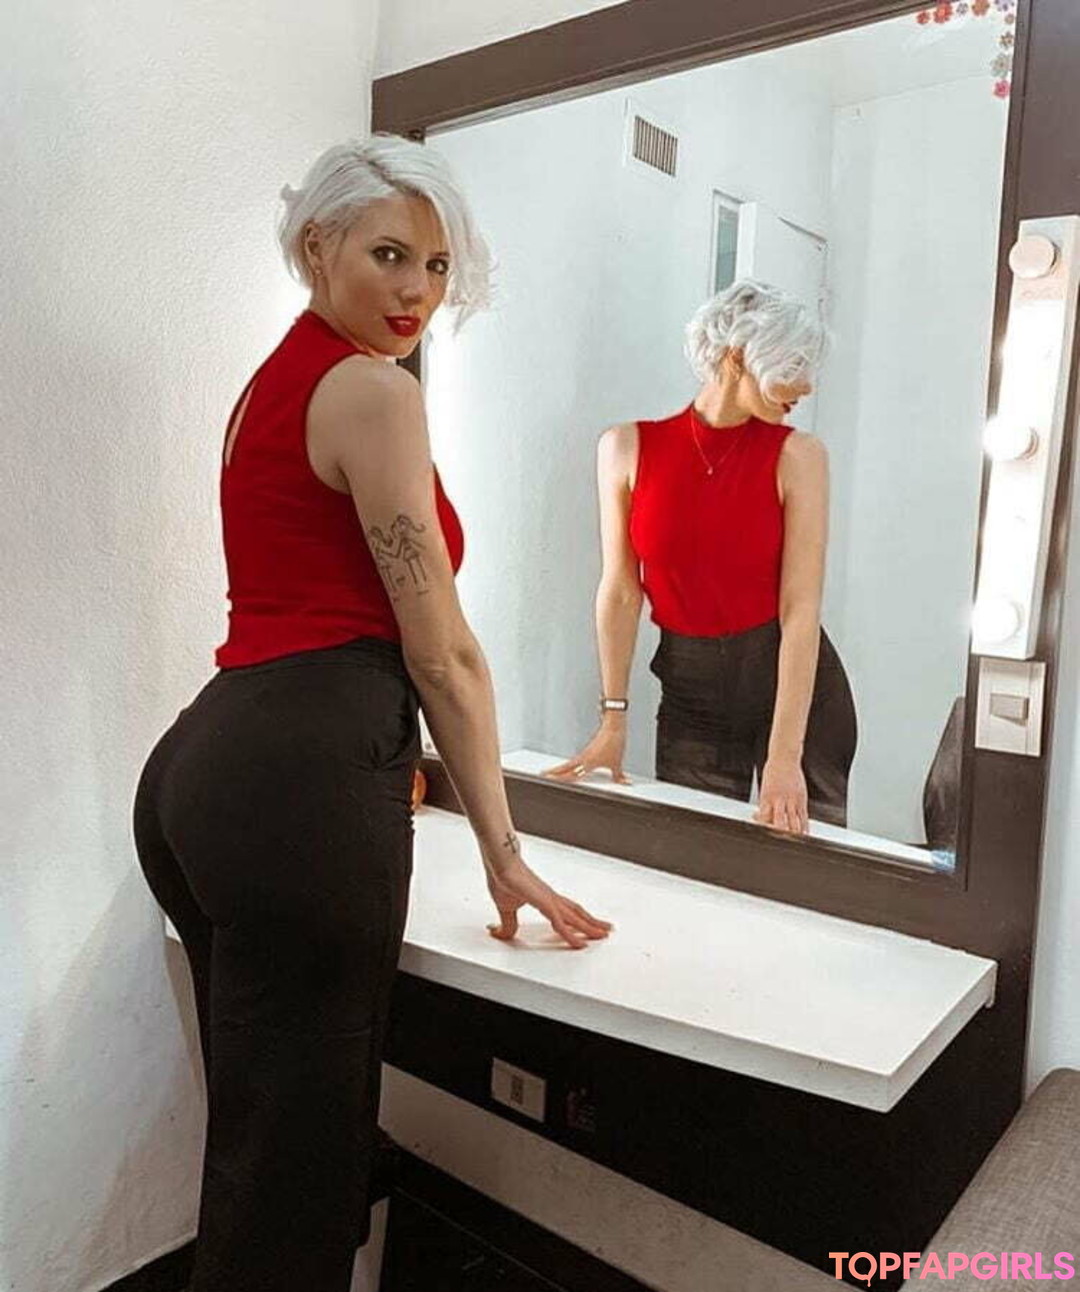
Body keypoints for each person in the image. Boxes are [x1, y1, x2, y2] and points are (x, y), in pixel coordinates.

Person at [131, 134, 612, 1292]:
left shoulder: (275, 383)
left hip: (206, 769)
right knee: (297, 1188)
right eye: (389, 254)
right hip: (298, 785)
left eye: (437, 265)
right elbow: (442, 650)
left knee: (265, 1152)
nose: (417, 291)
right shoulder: (372, 391)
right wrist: (504, 850)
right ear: (317, 247)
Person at [546, 280, 857, 835]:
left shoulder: (799, 456)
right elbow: (620, 591)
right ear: (738, 357)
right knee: (697, 852)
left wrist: (785, 756)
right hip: (691, 690)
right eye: (793, 365)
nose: (806, 386)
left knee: (806, 865)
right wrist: (613, 719)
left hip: (793, 691)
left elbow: (800, 610)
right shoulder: (625, 447)